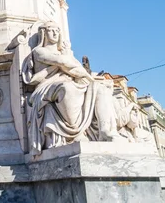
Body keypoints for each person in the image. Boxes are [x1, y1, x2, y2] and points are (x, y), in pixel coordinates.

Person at [22, 21, 121, 155]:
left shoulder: (64, 53)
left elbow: (76, 68)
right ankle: (74, 131)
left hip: (68, 81)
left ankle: (105, 131)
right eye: (51, 30)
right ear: (44, 33)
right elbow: (63, 62)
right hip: (46, 86)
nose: (55, 33)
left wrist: (84, 75)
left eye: (57, 30)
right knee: (66, 88)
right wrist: (68, 59)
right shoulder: (39, 51)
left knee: (100, 88)